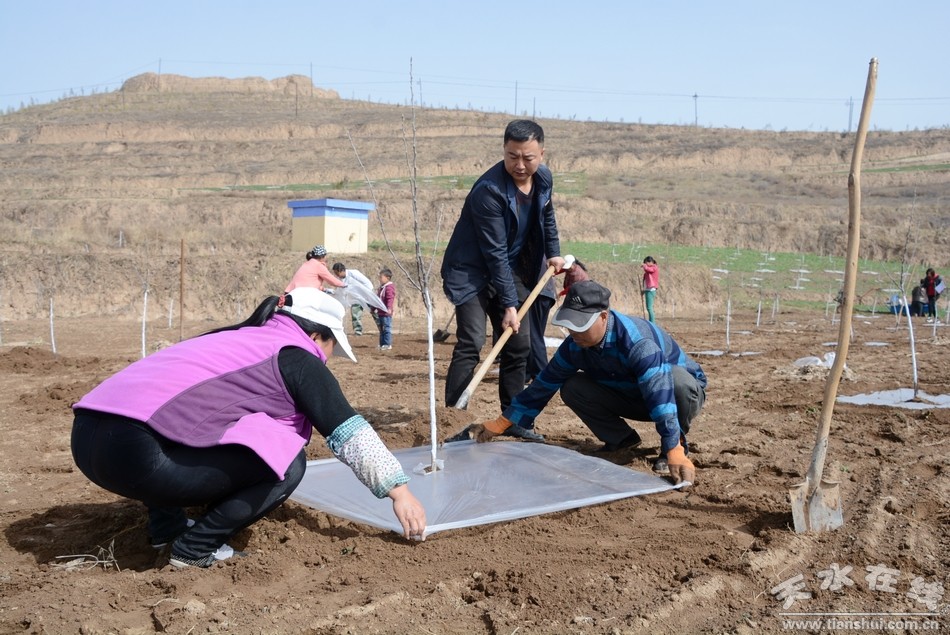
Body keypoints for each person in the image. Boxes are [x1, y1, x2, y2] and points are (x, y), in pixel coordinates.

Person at [70, 287, 427, 568]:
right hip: (136, 456)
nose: (330, 357)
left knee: (182, 426)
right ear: (318, 336)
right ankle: (194, 548)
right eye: (333, 346)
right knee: (287, 463)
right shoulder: (296, 356)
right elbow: (348, 431)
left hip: (88, 440)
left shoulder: (234, 340)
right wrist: (400, 492)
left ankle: (167, 530)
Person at [466, 280, 706, 486]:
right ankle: (621, 440)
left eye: (580, 325)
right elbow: (544, 384)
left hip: (673, 395)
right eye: (570, 325)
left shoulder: (637, 343)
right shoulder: (575, 345)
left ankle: (675, 449)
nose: (574, 332)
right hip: (634, 396)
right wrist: (501, 422)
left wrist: (673, 446)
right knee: (572, 386)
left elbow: (660, 395)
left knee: (677, 383)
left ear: (603, 317)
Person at [440, 119, 565, 439]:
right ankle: (452, 419)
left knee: (518, 343)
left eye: (528, 157)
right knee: (471, 339)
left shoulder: (543, 179)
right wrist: (509, 303)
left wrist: (553, 252)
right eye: (512, 156)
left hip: (508, 267)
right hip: (469, 270)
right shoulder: (489, 192)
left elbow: (547, 217)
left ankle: (514, 419)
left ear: (542, 153)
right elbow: (493, 252)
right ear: (504, 151)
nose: (520, 165)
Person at [332, 262, 375, 336]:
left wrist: (367, 295)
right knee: (355, 312)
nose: (336, 276)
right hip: (356, 297)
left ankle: (382, 327)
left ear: (341, 271)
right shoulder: (341, 279)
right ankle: (358, 331)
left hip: (367, 294)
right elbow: (341, 291)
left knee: (374, 312)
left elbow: (367, 283)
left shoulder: (354, 273)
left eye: (337, 273)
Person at [373, 268, 396, 350]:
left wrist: (389, 308)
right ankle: (382, 344)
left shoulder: (389, 287)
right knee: (381, 329)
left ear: (387, 278)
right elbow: (377, 300)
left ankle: (387, 344)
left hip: (386, 313)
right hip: (380, 313)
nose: (380, 279)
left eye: (381, 277)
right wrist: (373, 308)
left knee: (386, 328)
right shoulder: (381, 288)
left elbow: (390, 298)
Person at [641, 256, 659, 323]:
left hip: (651, 290)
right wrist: (644, 290)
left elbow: (649, 270)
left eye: (646, 263)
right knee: (648, 307)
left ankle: (652, 322)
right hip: (648, 290)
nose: (645, 265)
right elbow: (646, 281)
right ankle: (651, 321)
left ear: (650, 262)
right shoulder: (647, 271)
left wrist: (645, 266)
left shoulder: (654, 267)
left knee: (649, 307)